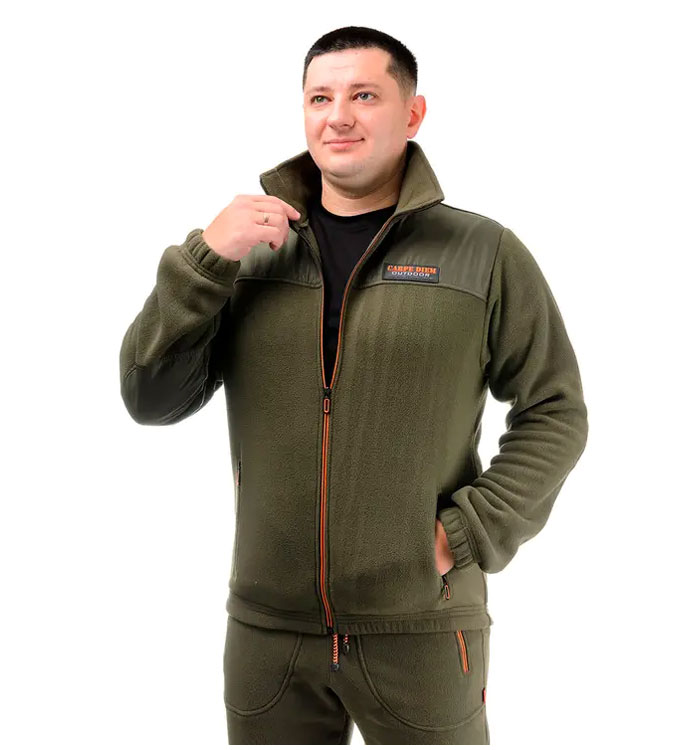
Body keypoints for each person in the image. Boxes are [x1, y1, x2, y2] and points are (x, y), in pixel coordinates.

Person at [118, 25, 588, 745]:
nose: (338, 116)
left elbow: (555, 409)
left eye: (364, 95)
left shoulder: (482, 252)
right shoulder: (245, 253)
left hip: (423, 626)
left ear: (413, 113)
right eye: (320, 98)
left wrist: (465, 532)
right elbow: (150, 397)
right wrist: (205, 260)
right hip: (269, 635)